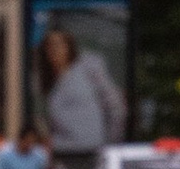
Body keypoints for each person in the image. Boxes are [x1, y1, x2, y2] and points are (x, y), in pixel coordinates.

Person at [38, 24, 128, 154]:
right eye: (49, 46)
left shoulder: (88, 69)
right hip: (63, 150)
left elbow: (116, 106)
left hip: (93, 149)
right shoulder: (49, 82)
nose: (54, 50)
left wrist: (110, 145)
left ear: (69, 46)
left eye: (59, 44)